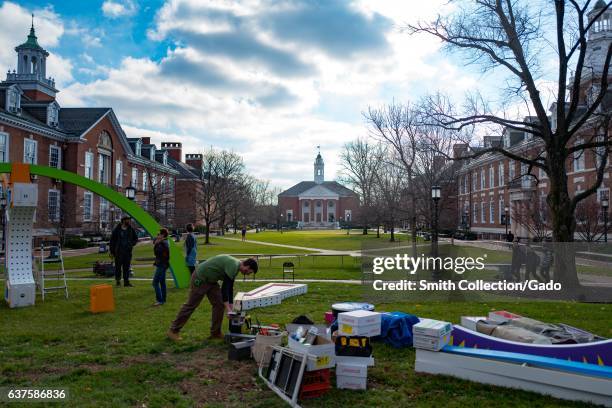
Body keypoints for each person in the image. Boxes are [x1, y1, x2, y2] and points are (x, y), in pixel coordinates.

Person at [167, 255, 258, 341]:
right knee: (191, 305)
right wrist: (228, 309)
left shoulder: (236, 266)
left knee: (219, 304)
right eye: (249, 272)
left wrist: (231, 307)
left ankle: (215, 333)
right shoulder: (233, 265)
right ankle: (173, 331)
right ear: (247, 266)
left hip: (211, 281)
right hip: (200, 278)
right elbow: (224, 288)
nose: (247, 274)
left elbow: (230, 288)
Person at [109, 216, 138, 287]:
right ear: (123, 221)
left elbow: (135, 238)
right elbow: (112, 241)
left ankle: (126, 282)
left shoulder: (131, 229)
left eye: (129, 220)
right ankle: (118, 282)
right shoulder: (117, 229)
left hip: (127, 252)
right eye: (127, 220)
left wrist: (131, 244)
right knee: (118, 267)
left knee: (126, 267)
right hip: (118, 252)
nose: (128, 222)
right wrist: (112, 251)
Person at [152, 228, 170, 306]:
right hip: (163, 264)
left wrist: (156, 243)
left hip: (161, 265)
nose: (157, 235)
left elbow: (157, 253)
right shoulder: (165, 242)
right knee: (162, 282)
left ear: (162, 235)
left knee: (155, 282)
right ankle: (163, 300)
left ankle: (160, 300)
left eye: (159, 234)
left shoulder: (163, 243)